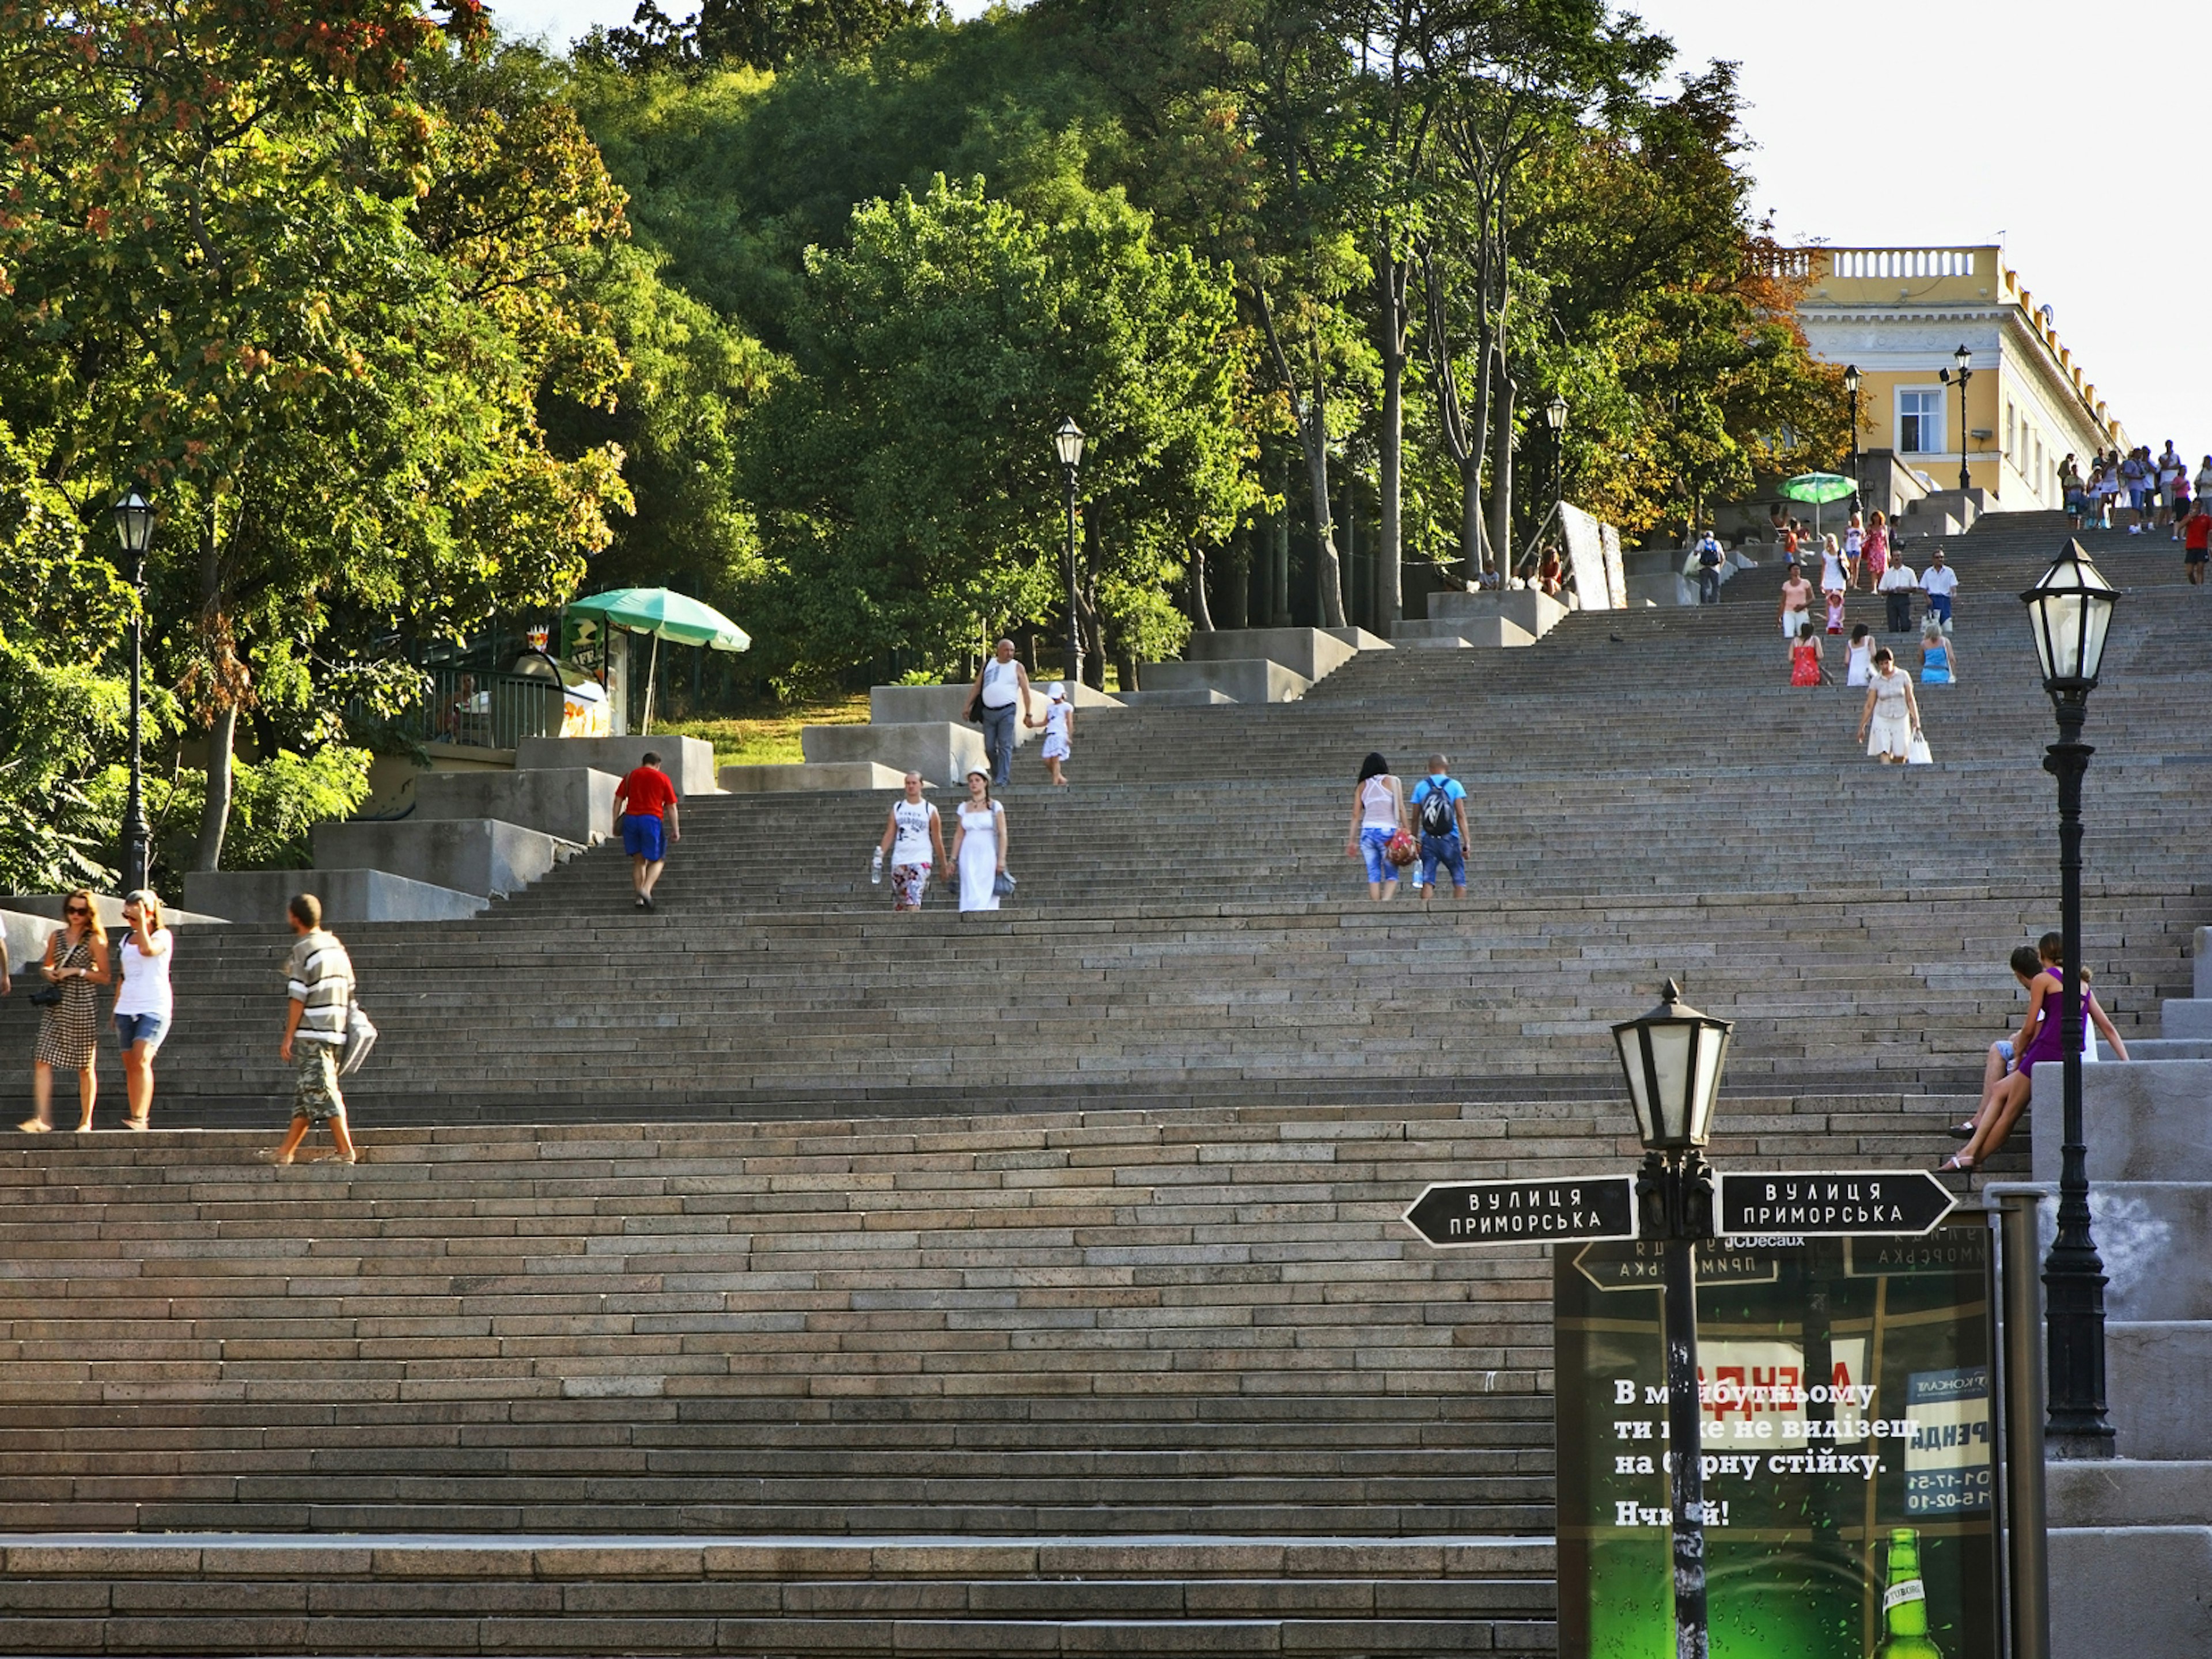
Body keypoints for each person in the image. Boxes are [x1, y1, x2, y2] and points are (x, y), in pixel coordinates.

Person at [1947, 937, 2130, 1171]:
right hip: (2067, 1053)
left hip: (2045, 1051)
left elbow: (2030, 1027)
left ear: (2042, 955)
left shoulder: (2043, 979)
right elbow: (2109, 1028)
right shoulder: (2082, 983)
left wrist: (2020, 1050)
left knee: (2010, 1114)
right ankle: (1969, 1154)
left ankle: (1970, 1158)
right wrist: (2126, 1064)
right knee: (2000, 1090)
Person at [272, 893, 357, 1166]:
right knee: (307, 1093)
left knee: (322, 1089)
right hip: (336, 1030)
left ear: (295, 917)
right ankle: (285, 1152)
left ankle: (345, 1151)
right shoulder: (336, 946)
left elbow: (298, 996)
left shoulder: (304, 948)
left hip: (314, 1032)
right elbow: (350, 989)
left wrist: (289, 1036)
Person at [22, 890, 108, 1133]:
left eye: (81, 911)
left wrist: (77, 972)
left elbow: (105, 976)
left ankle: (86, 1121)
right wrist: (47, 972)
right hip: (57, 1003)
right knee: (42, 1058)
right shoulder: (57, 936)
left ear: (90, 913)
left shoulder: (95, 940)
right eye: (71, 910)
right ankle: (42, 1117)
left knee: (85, 1065)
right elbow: (47, 964)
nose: (75, 915)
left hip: (82, 1004)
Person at [111, 888, 172, 1131]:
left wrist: (144, 926)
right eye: (127, 916)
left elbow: (149, 951)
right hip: (127, 1005)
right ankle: (135, 1113)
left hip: (154, 1006)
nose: (130, 921)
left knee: (142, 1058)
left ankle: (140, 1118)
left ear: (149, 912)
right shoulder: (126, 940)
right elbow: (123, 974)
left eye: (134, 915)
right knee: (130, 1063)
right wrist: (115, 1007)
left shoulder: (162, 936)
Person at [612, 751, 681, 911]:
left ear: (643, 762)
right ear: (658, 765)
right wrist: (676, 829)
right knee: (658, 859)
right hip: (651, 821)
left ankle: (639, 898)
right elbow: (671, 806)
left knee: (639, 861)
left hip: (631, 820)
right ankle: (646, 889)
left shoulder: (630, 776)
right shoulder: (662, 778)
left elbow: (618, 800)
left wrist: (615, 822)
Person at [962, 639, 1034, 788]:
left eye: (1012, 651)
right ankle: (997, 774)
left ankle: (1002, 779)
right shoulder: (989, 664)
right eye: (1006, 650)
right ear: (999, 651)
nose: (1010, 654)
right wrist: (967, 706)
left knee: (1005, 745)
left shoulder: (1017, 667)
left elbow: (1026, 691)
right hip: (988, 712)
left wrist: (1028, 713)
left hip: (1007, 710)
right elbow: (977, 686)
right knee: (989, 747)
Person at [875, 772, 947, 912]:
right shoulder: (898, 808)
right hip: (900, 858)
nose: (911, 786)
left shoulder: (930, 810)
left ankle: (914, 928)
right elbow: (890, 833)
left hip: (921, 858)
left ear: (921, 785)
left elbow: (937, 838)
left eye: (914, 783)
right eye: (908, 783)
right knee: (901, 904)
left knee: (913, 899)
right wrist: (880, 855)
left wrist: (943, 864)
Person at [1407, 755, 1469, 906]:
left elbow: (1415, 818)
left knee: (1428, 880)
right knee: (1459, 880)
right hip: (1451, 838)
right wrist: (1467, 841)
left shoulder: (1421, 787)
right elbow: (1461, 815)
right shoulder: (1455, 785)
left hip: (1429, 839)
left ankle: (1424, 913)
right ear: (1446, 767)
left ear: (1430, 768)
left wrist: (1414, 841)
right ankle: (1459, 914)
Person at [1344, 752, 1407, 902]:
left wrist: (1351, 841)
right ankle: (1385, 904)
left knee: (1374, 874)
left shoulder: (1362, 786)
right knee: (1392, 874)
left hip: (1367, 833)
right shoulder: (1393, 781)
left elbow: (1355, 815)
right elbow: (1400, 808)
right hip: (1387, 832)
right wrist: (1407, 828)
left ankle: (1375, 907)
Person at [951, 767, 1008, 912]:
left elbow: (1002, 833)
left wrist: (1001, 858)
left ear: (985, 783)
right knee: (969, 883)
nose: (974, 784)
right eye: (971, 781)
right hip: (968, 852)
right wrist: (953, 859)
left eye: (977, 780)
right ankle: (968, 912)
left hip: (987, 851)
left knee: (986, 884)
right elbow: (959, 834)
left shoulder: (995, 806)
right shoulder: (963, 807)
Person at [1856, 647, 1920, 763]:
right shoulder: (1876, 680)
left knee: (1900, 754)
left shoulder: (1903, 675)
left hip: (1901, 716)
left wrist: (1916, 719)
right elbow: (1870, 705)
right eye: (1882, 664)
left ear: (1892, 661)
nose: (1885, 666)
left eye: (1887, 663)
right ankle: (1886, 772)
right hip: (1882, 717)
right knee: (1884, 749)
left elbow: (1910, 699)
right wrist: (1862, 726)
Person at [1030, 681, 1074, 786]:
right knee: (1047, 759)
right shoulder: (1050, 707)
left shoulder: (1067, 707)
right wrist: (1034, 724)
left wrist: (1069, 736)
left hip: (1060, 734)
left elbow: (1069, 722)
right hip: (1051, 734)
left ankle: (1055, 784)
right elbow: (1046, 722)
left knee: (1055, 759)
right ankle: (1060, 778)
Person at [1918, 548, 1956, 634]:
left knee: (1947, 624)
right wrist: (1927, 598)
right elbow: (1923, 587)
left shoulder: (1949, 571)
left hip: (1945, 599)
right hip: (1933, 599)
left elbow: (1953, 585)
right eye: (1937, 557)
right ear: (1933, 559)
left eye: (1942, 557)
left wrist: (1954, 594)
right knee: (1933, 625)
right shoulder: (1928, 572)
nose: (1940, 559)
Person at [1777, 560, 1813, 643]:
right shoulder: (1786, 585)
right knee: (1788, 633)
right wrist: (1779, 616)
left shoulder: (1806, 583)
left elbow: (1812, 598)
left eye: (1798, 569)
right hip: (1789, 611)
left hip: (1802, 611)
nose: (1796, 571)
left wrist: (1803, 606)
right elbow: (1783, 601)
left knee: (1803, 633)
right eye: (1794, 569)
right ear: (1790, 571)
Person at [1919, 619, 1957, 685]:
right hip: (1943, 673)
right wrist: (1953, 674)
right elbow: (1952, 659)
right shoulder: (1945, 642)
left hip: (1928, 673)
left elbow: (1921, 660)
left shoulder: (1923, 644)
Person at [2184, 498, 2211, 584]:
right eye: (2195, 505)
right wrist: (2191, 516)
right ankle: (2195, 585)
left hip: (2202, 546)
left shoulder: (2206, 518)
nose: (2197, 507)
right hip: (2191, 547)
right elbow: (2180, 526)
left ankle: (2200, 588)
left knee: (2200, 569)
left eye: (2198, 505)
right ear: (2192, 505)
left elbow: (2211, 532)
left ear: (2201, 506)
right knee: (2189, 572)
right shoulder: (2188, 517)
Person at [1862, 510, 1889, 593]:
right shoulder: (1870, 528)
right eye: (1875, 517)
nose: (1876, 518)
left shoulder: (1884, 527)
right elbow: (1866, 539)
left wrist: (1889, 552)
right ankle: (1874, 588)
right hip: (1873, 550)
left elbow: (1886, 540)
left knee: (1882, 570)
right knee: (1873, 570)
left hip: (1882, 550)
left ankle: (1882, 587)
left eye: (1878, 517)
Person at [1694, 528, 1724, 604]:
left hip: (1703, 567)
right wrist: (1720, 567)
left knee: (1704, 586)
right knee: (1716, 586)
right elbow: (1723, 557)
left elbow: (1695, 553)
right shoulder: (1717, 543)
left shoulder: (1701, 542)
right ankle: (1715, 602)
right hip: (1715, 568)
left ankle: (1704, 603)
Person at [1844, 623, 1873, 687]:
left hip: (1853, 672)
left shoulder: (1850, 643)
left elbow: (1846, 661)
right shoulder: (1869, 639)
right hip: (1865, 669)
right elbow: (1874, 653)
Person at [1843, 512, 1865, 590]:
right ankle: (1850, 579)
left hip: (1857, 548)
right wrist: (1845, 536)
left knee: (1856, 565)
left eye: (1857, 519)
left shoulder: (1861, 529)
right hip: (1849, 547)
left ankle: (1855, 583)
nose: (1856, 521)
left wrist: (1862, 543)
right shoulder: (1848, 529)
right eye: (1854, 519)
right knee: (1850, 565)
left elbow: (1864, 539)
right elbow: (1844, 539)